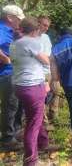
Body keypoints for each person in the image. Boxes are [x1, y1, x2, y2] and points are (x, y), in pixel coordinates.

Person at [10, 17, 50, 166]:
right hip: (32, 86)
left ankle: (42, 142)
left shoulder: (14, 44)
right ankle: (30, 160)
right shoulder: (30, 42)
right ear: (35, 30)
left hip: (19, 86)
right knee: (33, 123)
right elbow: (46, 60)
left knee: (33, 117)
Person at [0, 5, 25, 148]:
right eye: (18, 19)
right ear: (10, 18)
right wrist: (5, 59)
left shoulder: (10, 31)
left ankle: (14, 133)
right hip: (6, 74)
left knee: (15, 104)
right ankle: (8, 139)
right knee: (10, 105)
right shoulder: (2, 30)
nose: (20, 22)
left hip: (13, 74)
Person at [37, 16, 59, 124]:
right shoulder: (32, 37)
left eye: (47, 26)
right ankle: (43, 121)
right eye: (44, 25)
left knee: (55, 91)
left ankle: (54, 118)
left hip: (49, 70)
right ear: (38, 23)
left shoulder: (46, 37)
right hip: (39, 72)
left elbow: (50, 54)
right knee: (42, 96)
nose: (46, 28)